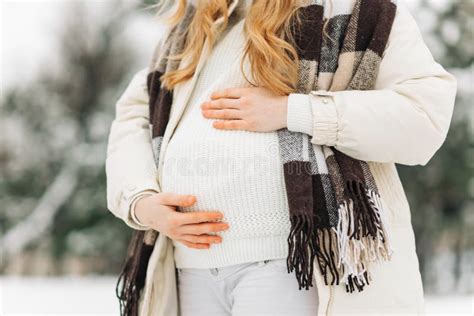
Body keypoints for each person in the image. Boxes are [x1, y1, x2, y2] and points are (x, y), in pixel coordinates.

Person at [105, 0, 457, 315]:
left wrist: (294, 111)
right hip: (188, 266)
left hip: (293, 262)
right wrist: (141, 201)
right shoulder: (188, 31)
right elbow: (133, 120)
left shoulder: (354, 13)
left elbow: (423, 117)